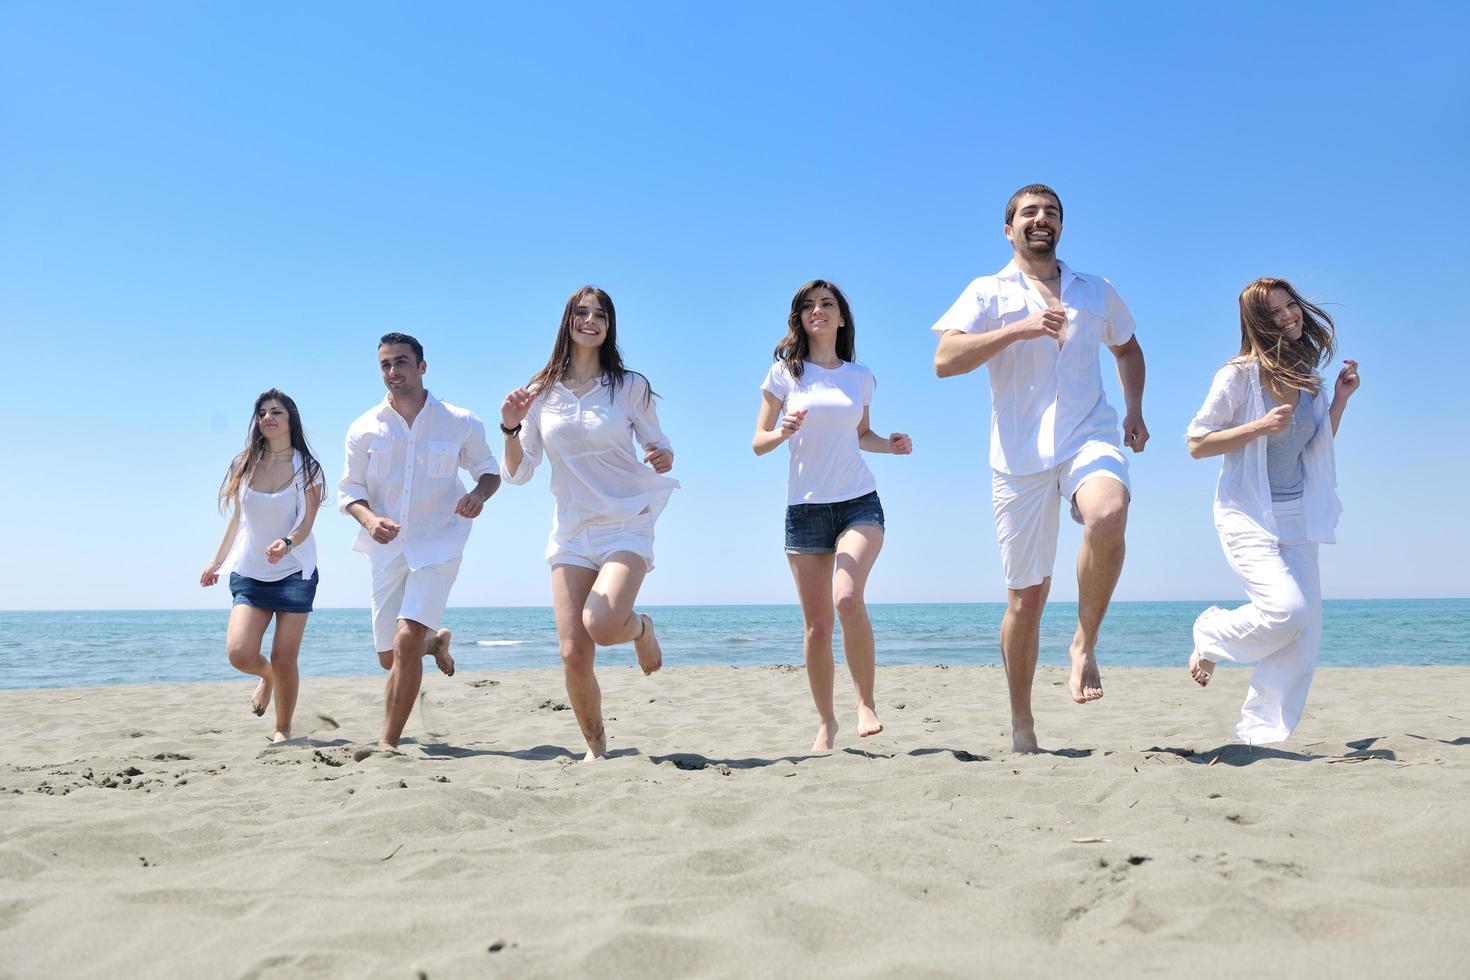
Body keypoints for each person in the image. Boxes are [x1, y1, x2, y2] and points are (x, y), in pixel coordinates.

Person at [932, 183, 1149, 753]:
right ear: (1009, 229)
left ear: (1060, 227)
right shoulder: (987, 291)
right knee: (1026, 600)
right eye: (1029, 212)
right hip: (1017, 458)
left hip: (1088, 436)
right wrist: (1017, 330)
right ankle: (1023, 723)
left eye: (1051, 212)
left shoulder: (1095, 291)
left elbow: (1127, 348)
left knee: (1108, 513)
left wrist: (1133, 410)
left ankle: (1084, 643)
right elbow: (944, 360)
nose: (1041, 219)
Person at [499, 286, 677, 761]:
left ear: (609, 325)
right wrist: (511, 428)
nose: (590, 320)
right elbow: (518, 473)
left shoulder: (630, 386)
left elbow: (660, 444)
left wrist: (661, 455)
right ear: (567, 321)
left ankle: (641, 629)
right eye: (581, 312)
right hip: (573, 531)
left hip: (625, 522)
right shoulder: (540, 393)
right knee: (573, 652)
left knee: (600, 624)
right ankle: (597, 751)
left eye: (600, 314)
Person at [1185, 278, 1360, 743]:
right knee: (1286, 611)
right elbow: (1197, 444)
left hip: (1298, 513)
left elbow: (1315, 447)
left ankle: (1259, 735)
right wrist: (1257, 426)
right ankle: (1210, 632)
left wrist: (1340, 401)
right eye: (1275, 314)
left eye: (1290, 307)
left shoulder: (1308, 378)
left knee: (1303, 640)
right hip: (1247, 514)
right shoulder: (1238, 376)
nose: (1288, 317)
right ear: (1257, 325)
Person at [752, 280, 912, 751]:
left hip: (858, 501)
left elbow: (862, 435)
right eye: (808, 306)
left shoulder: (859, 376)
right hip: (804, 510)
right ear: (800, 318)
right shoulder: (785, 373)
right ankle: (827, 722)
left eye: (827, 305)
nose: (817, 311)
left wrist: (891, 446)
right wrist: (781, 431)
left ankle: (866, 703)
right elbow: (758, 442)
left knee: (847, 598)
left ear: (841, 317)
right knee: (818, 627)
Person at [339, 332, 501, 750]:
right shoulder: (363, 428)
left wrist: (477, 496)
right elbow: (349, 491)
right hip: (386, 549)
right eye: (385, 364)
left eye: (402, 362)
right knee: (389, 657)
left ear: (422, 366)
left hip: (439, 544)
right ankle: (436, 642)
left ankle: (387, 743)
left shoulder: (460, 421)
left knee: (406, 639)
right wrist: (370, 519)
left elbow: (489, 471)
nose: (393, 371)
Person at [200, 389, 325, 743]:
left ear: (290, 419)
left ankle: (282, 729)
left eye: (277, 412)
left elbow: (307, 522)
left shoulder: (308, 468)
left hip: (294, 573)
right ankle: (267, 677)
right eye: (262, 413)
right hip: (251, 572)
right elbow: (238, 519)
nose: (268, 418)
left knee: (285, 657)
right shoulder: (245, 463)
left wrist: (286, 544)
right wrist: (216, 562)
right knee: (240, 654)